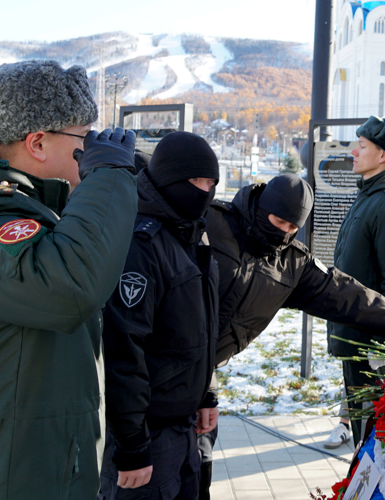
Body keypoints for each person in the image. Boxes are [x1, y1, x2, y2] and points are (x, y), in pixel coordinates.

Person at [0, 60, 138, 499]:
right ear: (37, 142)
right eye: (83, 137)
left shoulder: (26, 208)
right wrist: (109, 178)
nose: (92, 147)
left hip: (23, 467)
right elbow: (68, 288)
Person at [198, 173, 385, 498]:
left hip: (199, 380)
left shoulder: (292, 264)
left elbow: (350, 296)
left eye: (293, 228)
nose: (283, 233)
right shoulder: (209, 222)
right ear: (262, 206)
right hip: (148, 368)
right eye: (279, 221)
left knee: (194, 475)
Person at [99, 131, 220, 500]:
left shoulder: (189, 233)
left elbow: (194, 332)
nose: (205, 191)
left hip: (184, 432)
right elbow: (123, 348)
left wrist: (205, 395)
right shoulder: (140, 243)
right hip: (148, 439)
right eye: (196, 181)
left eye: (212, 183)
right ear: (168, 180)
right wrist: (132, 444)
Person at [328, 115, 385, 446]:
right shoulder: (370, 196)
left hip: (373, 346)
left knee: (376, 438)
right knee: (362, 436)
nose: (354, 151)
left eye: (362, 146)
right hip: (357, 337)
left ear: (383, 155)